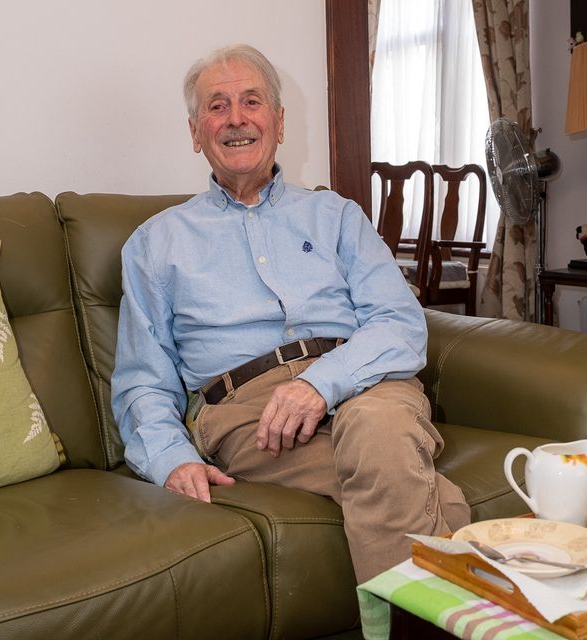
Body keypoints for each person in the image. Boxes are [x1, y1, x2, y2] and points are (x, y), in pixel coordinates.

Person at [110, 44, 470, 582]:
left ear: (278, 122)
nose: (236, 119)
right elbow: (142, 381)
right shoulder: (154, 245)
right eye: (216, 106)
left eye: (251, 102)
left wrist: (322, 383)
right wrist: (171, 460)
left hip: (364, 380)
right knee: (419, 485)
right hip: (247, 415)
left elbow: (399, 324)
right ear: (194, 132)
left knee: (378, 428)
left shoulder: (338, 217)